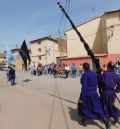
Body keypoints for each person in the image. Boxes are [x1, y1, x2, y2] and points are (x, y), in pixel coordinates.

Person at [78, 63, 111, 129]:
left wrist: (82, 97)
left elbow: (84, 87)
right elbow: (98, 81)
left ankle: (84, 121)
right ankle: (106, 122)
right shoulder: (94, 73)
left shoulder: (85, 75)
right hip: (94, 93)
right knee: (97, 108)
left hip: (87, 94)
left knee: (82, 106)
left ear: (84, 68)